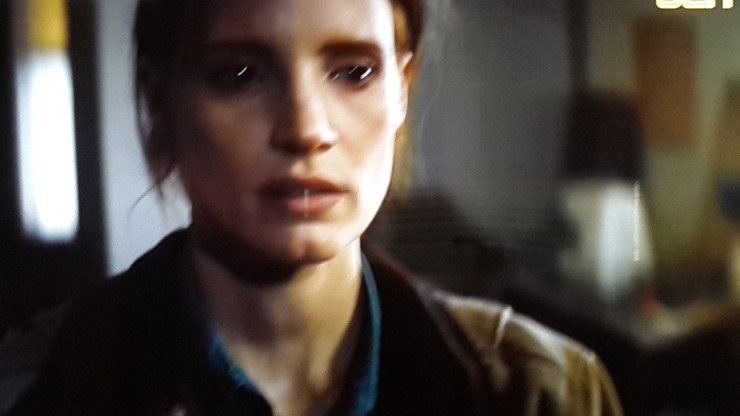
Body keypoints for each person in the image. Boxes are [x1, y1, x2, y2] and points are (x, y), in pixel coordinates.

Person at [7, 0, 623, 414]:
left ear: (402, 92)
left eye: (354, 72)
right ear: (161, 101)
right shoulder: (36, 386)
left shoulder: (541, 392)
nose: (306, 129)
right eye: (240, 74)